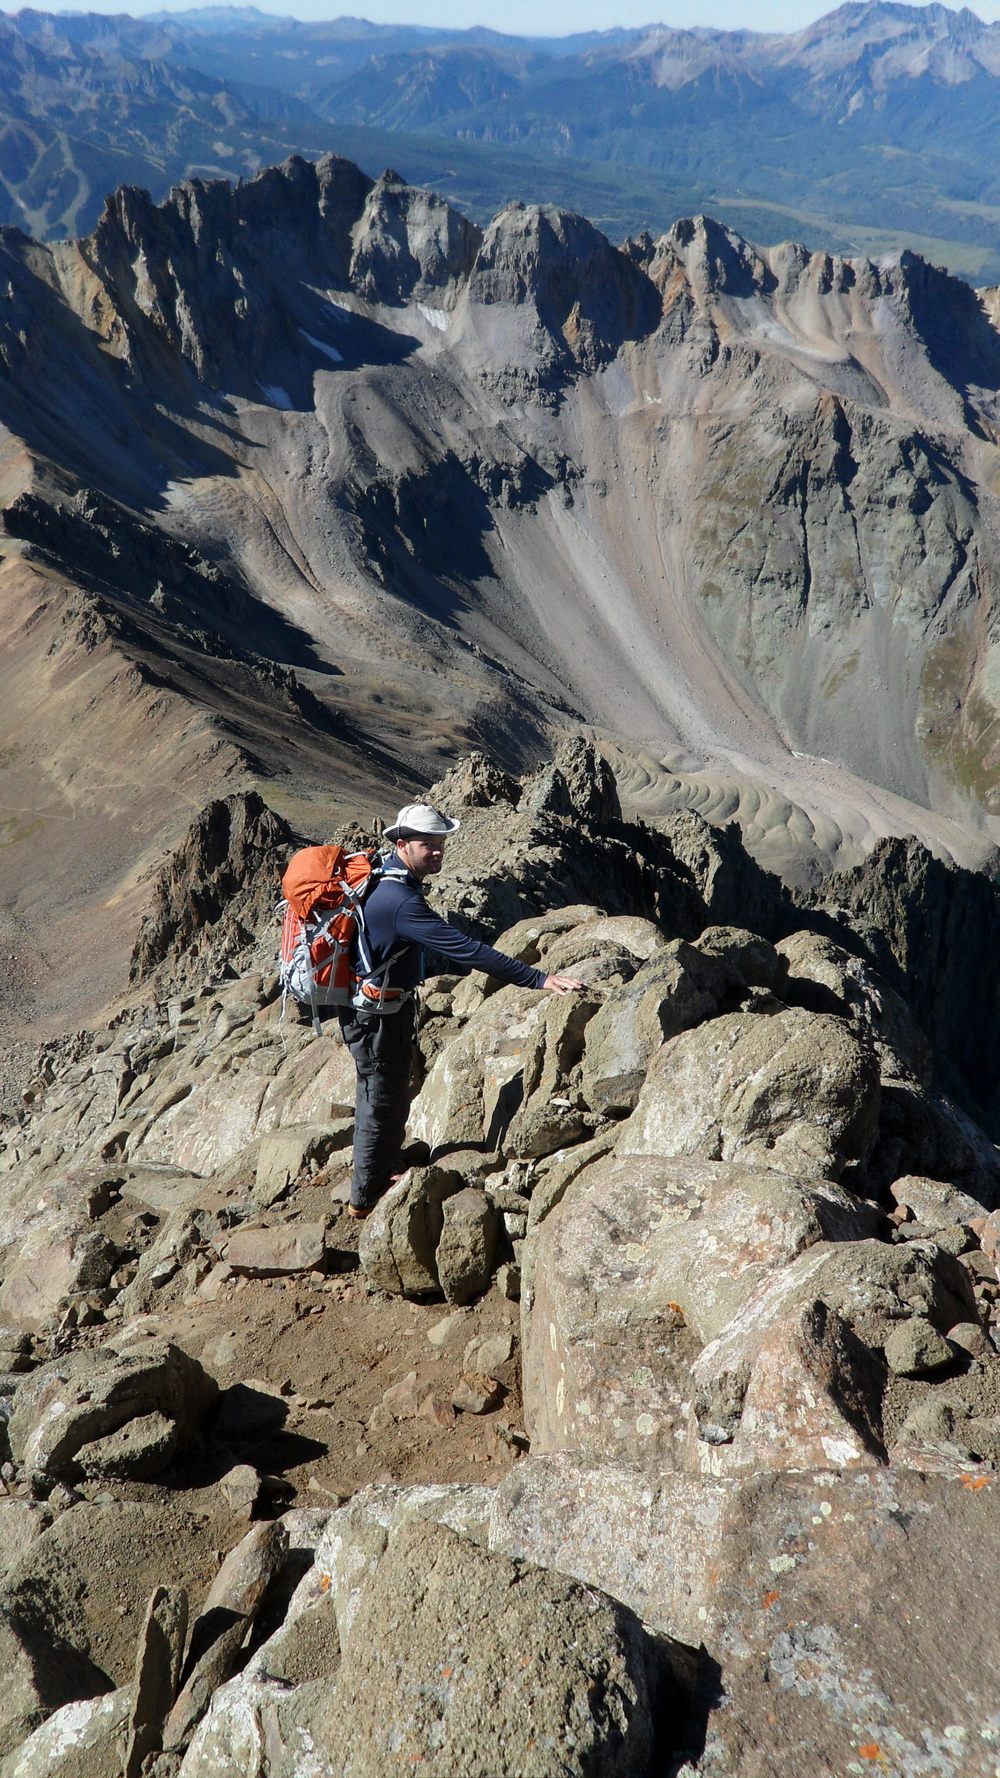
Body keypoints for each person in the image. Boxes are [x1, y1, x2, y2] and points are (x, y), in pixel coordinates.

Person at [340, 801, 585, 1219]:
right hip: (376, 1016)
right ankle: (364, 1201)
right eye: (427, 843)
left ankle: (380, 1171)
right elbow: (466, 950)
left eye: (440, 842)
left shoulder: (384, 872)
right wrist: (539, 979)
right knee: (379, 1099)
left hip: (381, 1007)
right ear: (401, 843)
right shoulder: (401, 900)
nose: (437, 850)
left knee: (391, 1094)